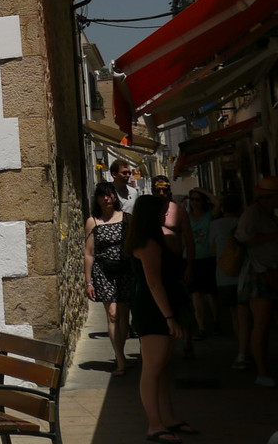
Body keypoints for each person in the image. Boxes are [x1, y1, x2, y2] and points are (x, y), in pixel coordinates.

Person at [125, 194, 198, 443]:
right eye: (163, 211)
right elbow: (154, 283)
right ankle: (154, 424)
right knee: (152, 370)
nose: (166, 215)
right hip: (154, 310)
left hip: (158, 307)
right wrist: (169, 317)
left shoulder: (151, 238)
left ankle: (168, 418)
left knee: (160, 368)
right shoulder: (148, 244)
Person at [235, 175, 278, 388]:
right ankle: (262, 371)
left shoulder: (268, 214)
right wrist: (272, 237)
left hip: (269, 270)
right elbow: (242, 237)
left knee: (266, 322)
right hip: (258, 272)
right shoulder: (254, 213)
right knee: (261, 323)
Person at [84, 181, 131, 375]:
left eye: (110, 194)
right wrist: (89, 282)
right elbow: (88, 253)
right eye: (102, 195)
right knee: (112, 314)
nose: (106, 198)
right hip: (103, 271)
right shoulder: (92, 222)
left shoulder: (127, 219)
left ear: (114, 197)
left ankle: (121, 354)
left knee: (124, 317)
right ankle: (120, 360)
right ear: (96, 199)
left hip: (125, 269)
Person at [153, 175, 195, 356]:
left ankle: (187, 340)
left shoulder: (178, 211)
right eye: (158, 190)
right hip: (156, 264)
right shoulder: (148, 211)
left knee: (183, 305)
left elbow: (189, 241)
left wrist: (190, 266)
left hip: (177, 263)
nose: (162, 193)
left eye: (165, 189)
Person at [209, 192, 251, 370]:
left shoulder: (215, 225)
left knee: (236, 315)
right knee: (251, 314)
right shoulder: (246, 223)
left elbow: (211, 250)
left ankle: (242, 349)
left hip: (224, 275)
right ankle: (247, 348)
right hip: (248, 274)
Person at [184, 187, 221, 338]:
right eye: (191, 199)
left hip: (208, 258)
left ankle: (216, 322)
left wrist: (204, 192)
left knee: (211, 294)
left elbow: (218, 203)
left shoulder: (208, 216)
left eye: (197, 199)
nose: (194, 202)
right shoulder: (186, 217)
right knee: (196, 294)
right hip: (192, 258)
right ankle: (201, 327)